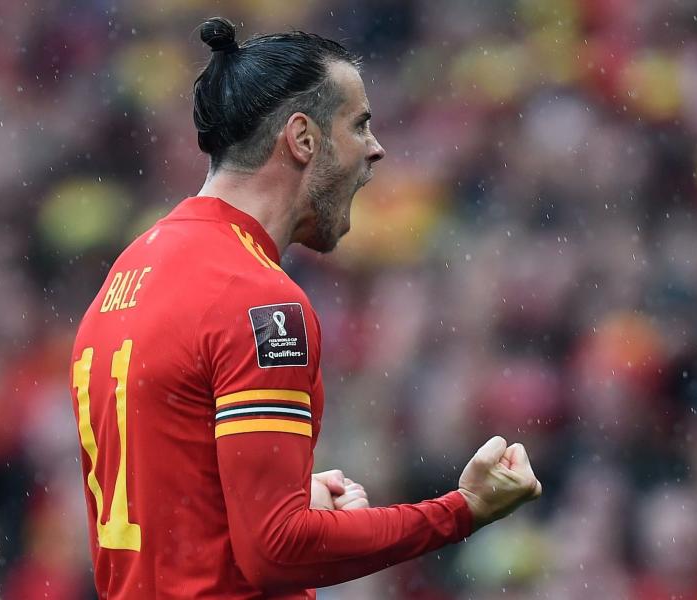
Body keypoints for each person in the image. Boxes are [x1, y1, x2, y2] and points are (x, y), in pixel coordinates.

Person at [69, 17, 541, 599]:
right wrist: (461, 510)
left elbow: (171, 502)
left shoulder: (131, 271)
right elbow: (276, 550)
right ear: (303, 138)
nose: (376, 149)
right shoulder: (258, 299)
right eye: (359, 125)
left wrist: (284, 495)